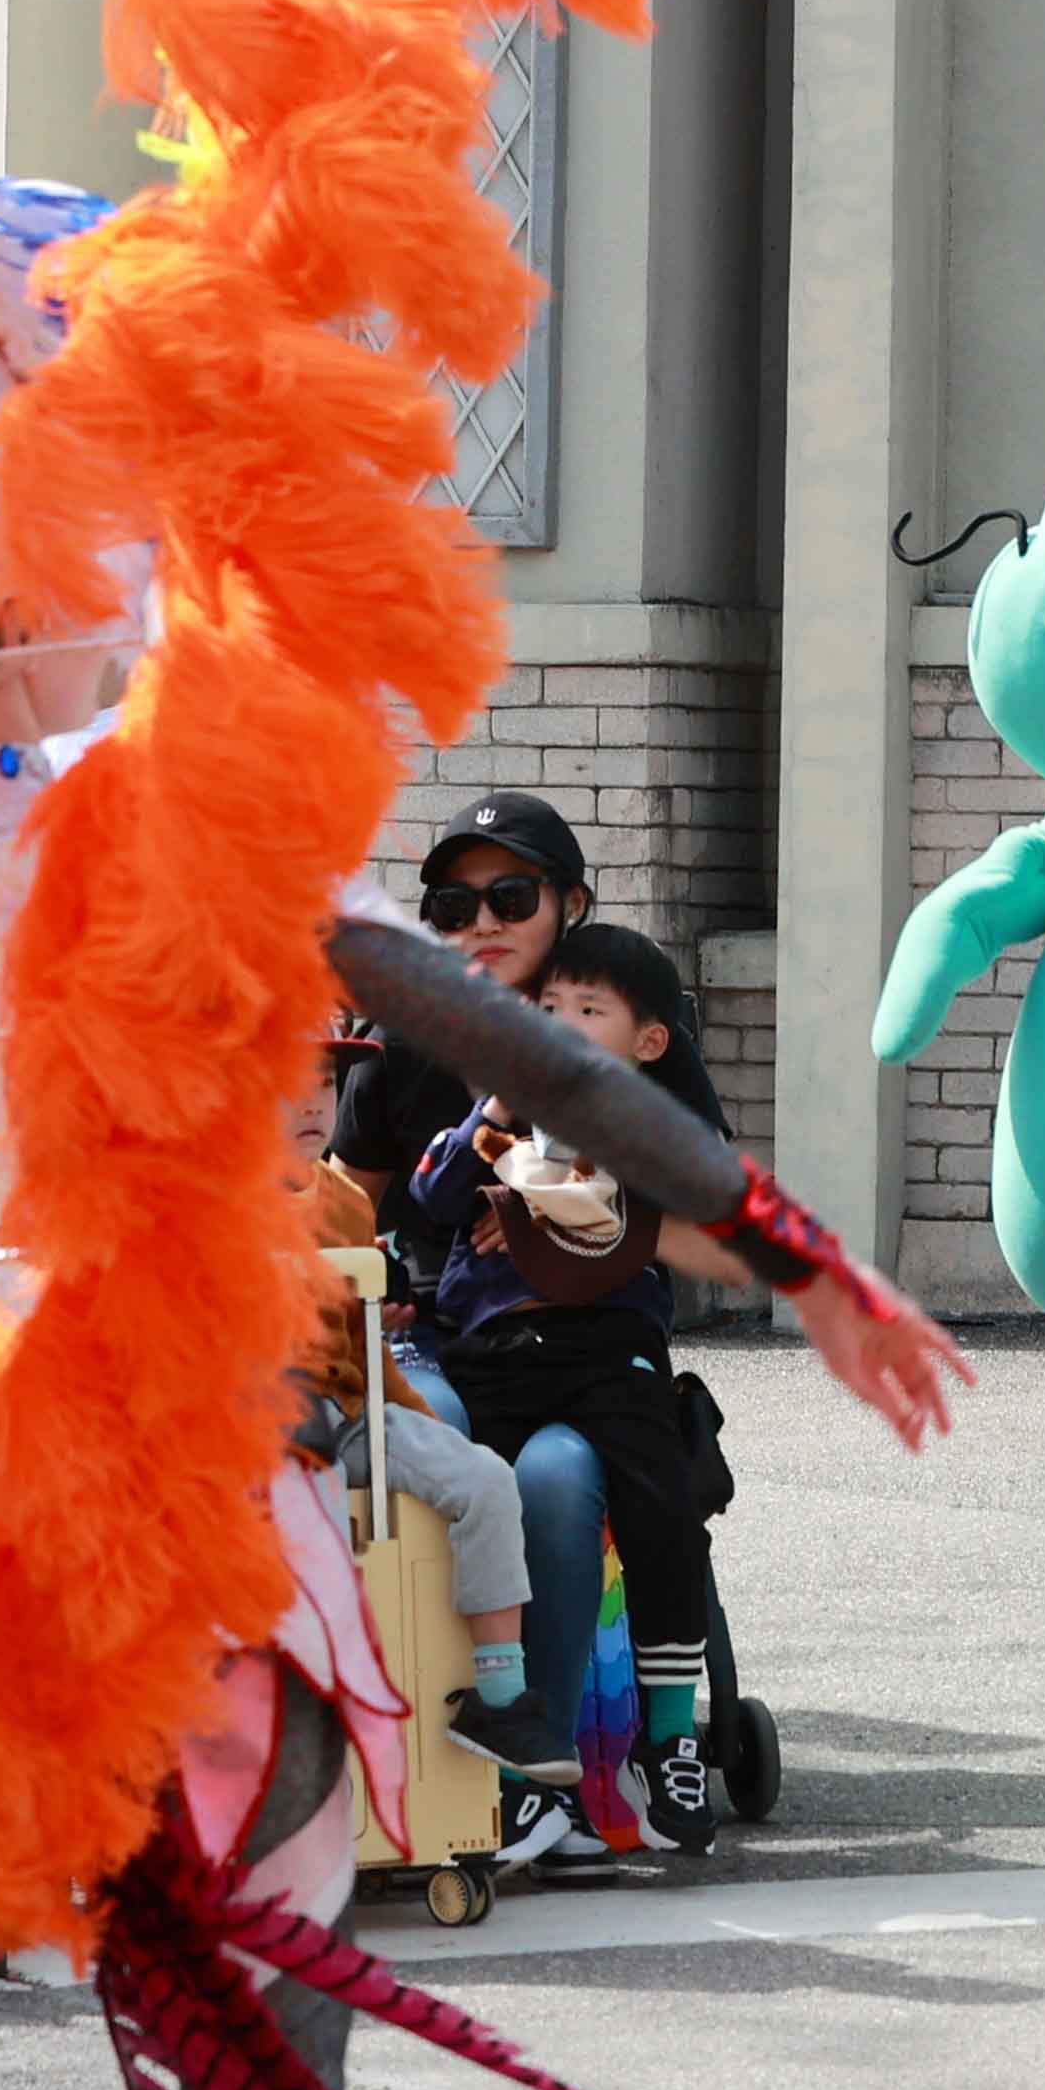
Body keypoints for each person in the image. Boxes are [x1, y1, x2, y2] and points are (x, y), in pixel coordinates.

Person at [400, 916, 732, 1852]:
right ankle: (505, 1746)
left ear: (648, 1042)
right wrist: (496, 1120)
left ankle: (666, 1737)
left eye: (590, 1011)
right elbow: (428, 1200)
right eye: (549, 1009)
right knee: (467, 1483)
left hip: (607, 1346)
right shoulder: (500, 1112)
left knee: (660, 1492)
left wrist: (556, 1210)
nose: (561, 1024)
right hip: (497, 1349)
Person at [287, 1072, 575, 1779]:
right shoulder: (204, 1201)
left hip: (350, 1411)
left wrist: (422, 1425)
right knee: (308, 1500)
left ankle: (501, 1702)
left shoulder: (348, 1203)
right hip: (255, 1424)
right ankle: (303, 1703)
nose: (311, 1102)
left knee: (484, 1480)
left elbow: (365, 1347)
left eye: (323, 1083)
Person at [333, 787, 595, 1290]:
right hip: (433, 1331)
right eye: (455, 907)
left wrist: (549, 1208)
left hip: (594, 1326)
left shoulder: (625, 1023)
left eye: (512, 898)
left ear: (573, 902)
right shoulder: (398, 1042)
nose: (483, 924)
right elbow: (340, 1212)